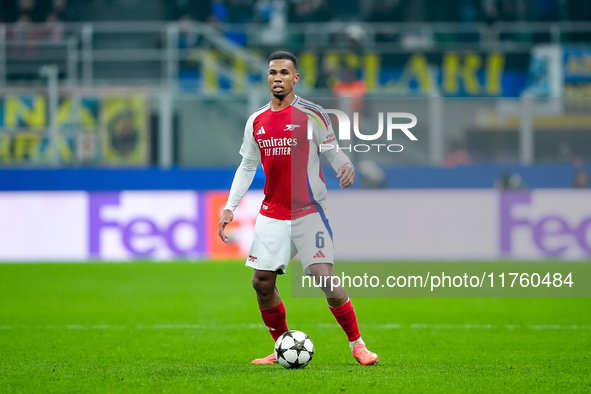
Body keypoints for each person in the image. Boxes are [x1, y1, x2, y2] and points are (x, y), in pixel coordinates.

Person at [218, 51, 378, 366]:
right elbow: (247, 166)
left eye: (284, 73)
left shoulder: (313, 113)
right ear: (268, 77)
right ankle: (281, 348)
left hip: (309, 211)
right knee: (261, 283)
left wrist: (344, 164)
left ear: (296, 78)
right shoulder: (257, 121)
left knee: (324, 277)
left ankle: (357, 345)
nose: (278, 78)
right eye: (273, 72)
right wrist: (229, 207)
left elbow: (333, 151)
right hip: (272, 213)